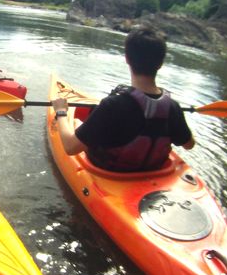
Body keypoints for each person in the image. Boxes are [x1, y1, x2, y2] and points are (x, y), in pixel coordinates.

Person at [52, 27, 195, 172]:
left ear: (127, 59)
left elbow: (70, 147)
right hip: (153, 172)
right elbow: (189, 145)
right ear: (161, 63)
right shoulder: (173, 107)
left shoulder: (113, 106)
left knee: (76, 123)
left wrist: (61, 112)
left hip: (110, 173)